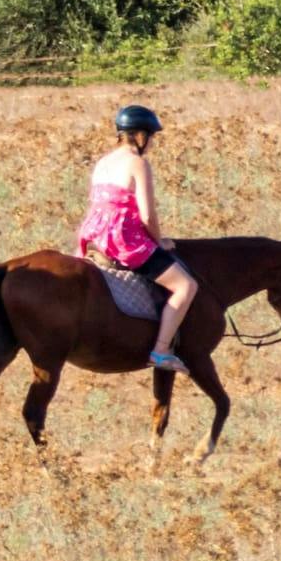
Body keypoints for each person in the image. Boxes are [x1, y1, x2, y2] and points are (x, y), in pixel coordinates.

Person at [81, 101, 196, 375]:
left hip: (94, 233)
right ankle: (161, 350)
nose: (153, 142)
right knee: (186, 286)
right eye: (152, 136)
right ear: (140, 136)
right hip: (123, 239)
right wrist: (159, 242)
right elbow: (147, 216)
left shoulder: (103, 161)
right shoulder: (138, 164)